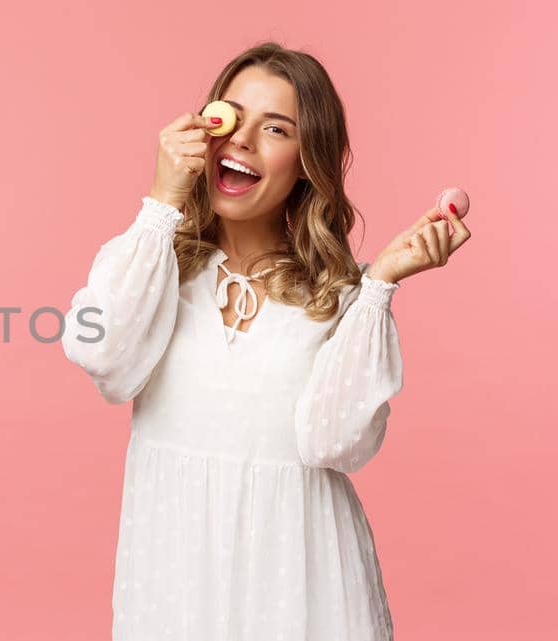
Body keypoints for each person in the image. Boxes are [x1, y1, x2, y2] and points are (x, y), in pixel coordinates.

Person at [60, 42, 471, 641]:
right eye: (232, 116)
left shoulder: (339, 295)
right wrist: (162, 201)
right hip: (175, 586)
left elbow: (336, 442)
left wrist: (378, 284)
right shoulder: (152, 266)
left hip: (305, 590)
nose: (243, 140)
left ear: (308, 162)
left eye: (275, 128)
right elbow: (103, 359)